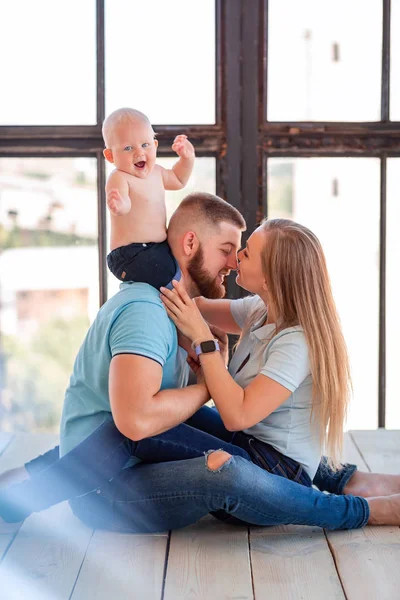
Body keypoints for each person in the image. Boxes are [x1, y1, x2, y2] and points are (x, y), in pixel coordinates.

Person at [1, 195, 400, 531]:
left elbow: (237, 415)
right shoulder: (260, 311)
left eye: (245, 253)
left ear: (275, 273)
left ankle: (29, 496)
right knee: (159, 414)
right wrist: (155, 262)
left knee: (141, 424)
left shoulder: (296, 342)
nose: (235, 259)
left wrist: (208, 352)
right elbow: (195, 305)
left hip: (271, 469)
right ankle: (32, 484)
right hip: (256, 446)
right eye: (231, 250)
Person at [103, 107, 195, 289]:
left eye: (145, 145)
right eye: (128, 148)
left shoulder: (158, 172)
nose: (139, 153)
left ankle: (189, 301)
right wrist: (120, 205)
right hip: (131, 253)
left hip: (157, 247)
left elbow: (178, 180)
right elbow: (125, 206)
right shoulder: (120, 177)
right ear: (110, 155)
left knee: (186, 262)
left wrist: (187, 159)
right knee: (167, 274)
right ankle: (177, 304)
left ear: (155, 145)